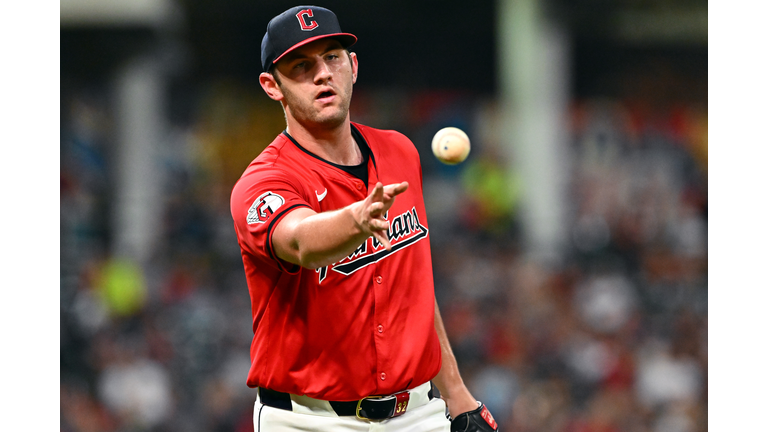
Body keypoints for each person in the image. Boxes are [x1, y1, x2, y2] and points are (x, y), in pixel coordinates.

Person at [230, 5, 499, 431]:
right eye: (301, 66)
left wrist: (458, 395)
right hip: (308, 420)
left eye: (332, 58)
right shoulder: (263, 182)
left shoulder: (399, 152)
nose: (322, 74)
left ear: (352, 66)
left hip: (417, 413)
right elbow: (299, 240)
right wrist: (355, 220)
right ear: (272, 86)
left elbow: (414, 289)